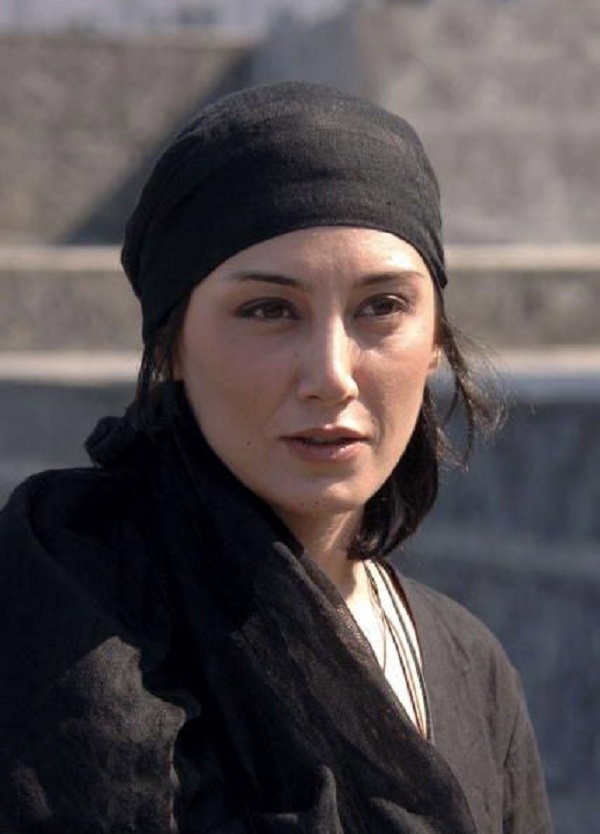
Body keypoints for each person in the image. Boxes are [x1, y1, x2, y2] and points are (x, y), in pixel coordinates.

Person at [0, 81, 552, 834]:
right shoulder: (58, 612)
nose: (331, 374)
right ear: (172, 346)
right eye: (268, 310)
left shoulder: (468, 667)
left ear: (433, 342)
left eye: (382, 306)